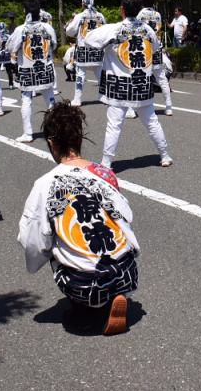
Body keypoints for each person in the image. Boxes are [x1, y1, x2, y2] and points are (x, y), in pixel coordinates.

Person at [18, 101, 139, 336]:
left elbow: (33, 238)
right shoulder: (104, 174)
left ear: (52, 144)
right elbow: (126, 216)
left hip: (86, 283)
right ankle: (115, 291)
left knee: (51, 241)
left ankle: (86, 309)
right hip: (127, 271)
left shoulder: (45, 184)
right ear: (80, 139)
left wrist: (37, 260)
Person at [85, 0, 172, 169]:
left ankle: (106, 162)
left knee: (114, 125)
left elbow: (89, 39)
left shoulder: (114, 29)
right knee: (151, 121)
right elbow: (155, 48)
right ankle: (165, 155)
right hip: (141, 82)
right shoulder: (148, 29)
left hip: (119, 84)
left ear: (122, 10)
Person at [7, 2, 58, 143]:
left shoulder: (20, 29)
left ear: (26, 13)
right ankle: (55, 130)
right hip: (45, 67)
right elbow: (54, 44)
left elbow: (10, 46)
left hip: (27, 69)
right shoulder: (47, 27)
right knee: (50, 98)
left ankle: (28, 133)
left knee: (26, 99)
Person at [65, 0, 106, 107]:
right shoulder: (100, 16)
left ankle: (77, 99)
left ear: (83, 3)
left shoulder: (81, 16)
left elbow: (70, 31)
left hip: (84, 48)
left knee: (80, 74)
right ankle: (105, 96)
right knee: (100, 74)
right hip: (97, 48)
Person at [137, 0, 174, 116]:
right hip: (156, 48)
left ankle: (138, 106)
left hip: (143, 49)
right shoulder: (157, 14)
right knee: (161, 78)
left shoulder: (140, 14)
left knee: (140, 78)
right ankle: (168, 106)